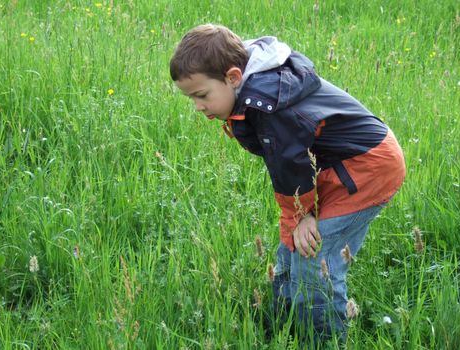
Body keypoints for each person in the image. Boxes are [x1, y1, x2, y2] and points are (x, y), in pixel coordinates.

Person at [169, 24, 405, 342]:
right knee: (294, 245)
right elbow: (288, 163)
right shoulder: (254, 87)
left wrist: (299, 214)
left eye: (202, 95)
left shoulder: (269, 105)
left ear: (233, 77)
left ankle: (324, 340)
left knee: (314, 260)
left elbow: (289, 162)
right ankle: (282, 325)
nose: (198, 106)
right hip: (338, 164)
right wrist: (298, 217)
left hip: (368, 167)